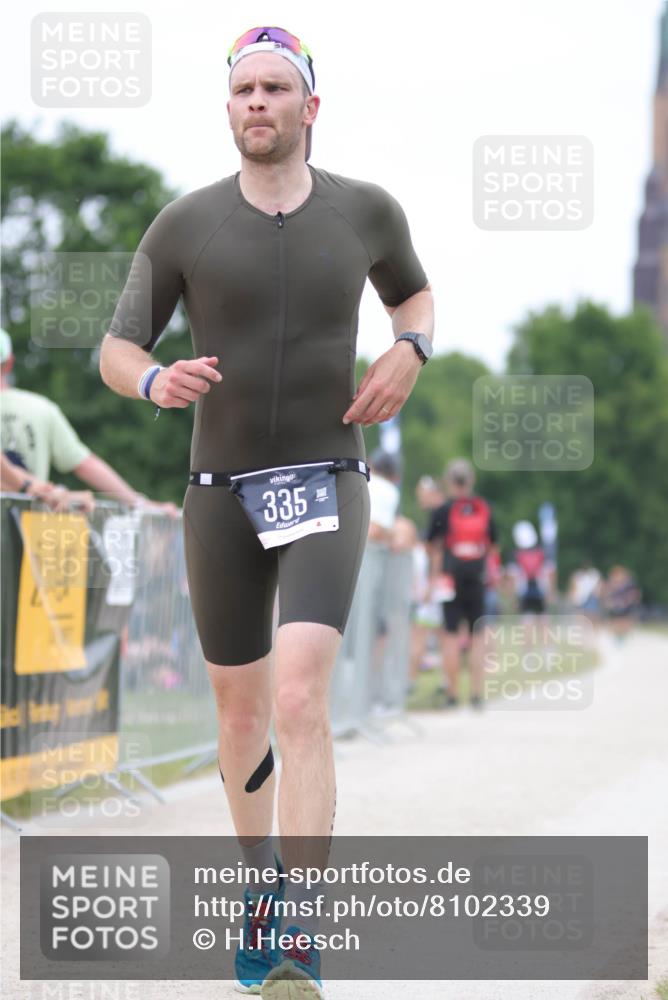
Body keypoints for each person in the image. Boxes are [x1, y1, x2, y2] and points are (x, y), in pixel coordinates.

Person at [98, 25, 433, 998]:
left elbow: (414, 297)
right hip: (219, 494)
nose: (257, 102)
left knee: (297, 699)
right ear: (229, 106)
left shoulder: (366, 210)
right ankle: (260, 887)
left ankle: (303, 923)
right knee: (240, 711)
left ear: (309, 106)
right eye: (243, 88)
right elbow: (117, 347)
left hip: (327, 476)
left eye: (275, 88)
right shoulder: (185, 223)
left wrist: (409, 351)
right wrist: (153, 379)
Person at [0, 328, 171, 513]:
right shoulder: (40, 408)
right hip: (22, 525)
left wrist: (41, 489)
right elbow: (86, 464)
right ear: (9, 363)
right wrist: (141, 503)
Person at [426, 459, 498, 709]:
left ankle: (453, 695)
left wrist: (434, 578)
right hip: (477, 578)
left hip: (450, 579)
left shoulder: (442, 511)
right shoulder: (484, 508)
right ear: (471, 481)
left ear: (449, 481)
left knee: (450, 636)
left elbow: (432, 548)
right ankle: (477, 694)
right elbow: (493, 546)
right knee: (478, 637)